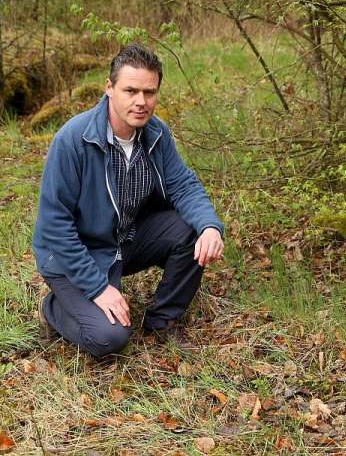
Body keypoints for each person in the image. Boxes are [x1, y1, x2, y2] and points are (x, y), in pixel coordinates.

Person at [32, 43, 224, 357]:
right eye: (130, 90)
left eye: (149, 92)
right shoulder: (72, 140)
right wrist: (98, 289)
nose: (141, 102)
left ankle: (162, 321)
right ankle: (53, 308)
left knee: (192, 230)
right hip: (75, 254)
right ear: (109, 88)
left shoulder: (156, 134)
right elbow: (55, 227)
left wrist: (210, 227)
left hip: (124, 240)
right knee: (109, 338)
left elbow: (184, 186)